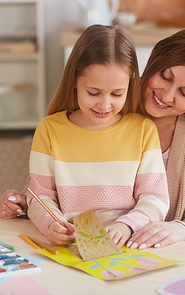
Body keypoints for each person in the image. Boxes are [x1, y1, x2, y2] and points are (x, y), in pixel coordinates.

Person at [0, 26, 185, 249]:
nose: (166, 95)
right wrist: (21, 205)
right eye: (165, 77)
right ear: (154, 63)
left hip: (147, 259)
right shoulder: (99, 112)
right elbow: (47, 193)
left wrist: (181, 230)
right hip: (81, 251)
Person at [26, 24, 169, 247]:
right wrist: (51, 224)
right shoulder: (50, 129)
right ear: (74, 80)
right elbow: (39, 196)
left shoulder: (143, 129)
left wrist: (126, 225)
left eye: (116, 93)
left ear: (130, 83)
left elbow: (156, 198)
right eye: (93, 93)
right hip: (71, 245)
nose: (104, 104)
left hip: (128, 244)